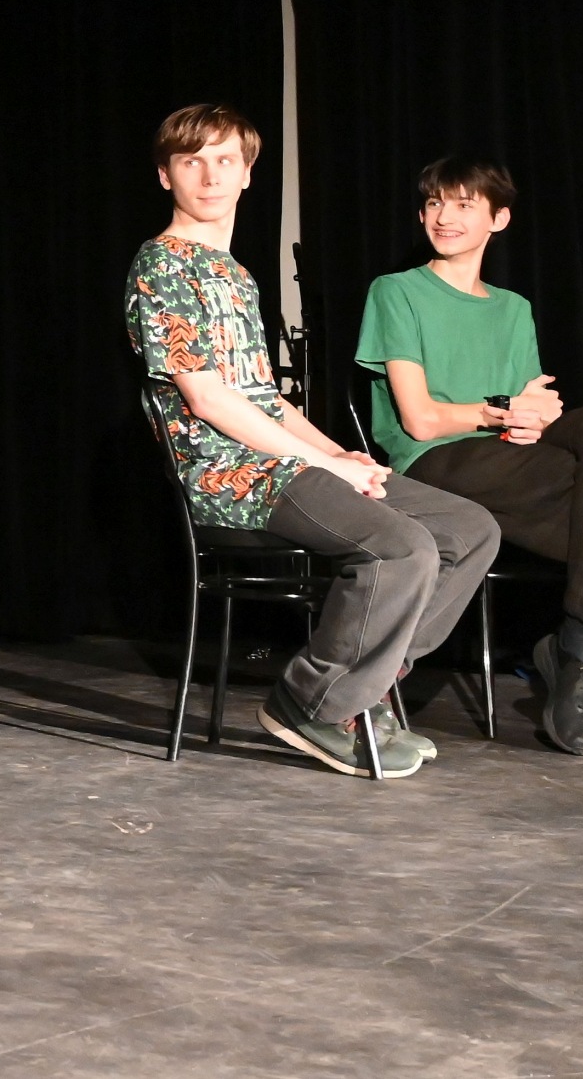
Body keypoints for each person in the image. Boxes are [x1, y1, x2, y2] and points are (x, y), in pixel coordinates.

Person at [125, 104, 498, 778]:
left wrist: (337, 455)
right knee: (401, 547)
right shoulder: (163, 266)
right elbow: (208, 398)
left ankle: (367, 689)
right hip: (230, 475)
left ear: (247, 173)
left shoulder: (236, 275)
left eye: (225, 161)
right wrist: (320, 463)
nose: (210, 176)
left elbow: (266, 398)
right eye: (191, 162)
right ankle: (312, 703)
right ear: (164, 175)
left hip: (281, 461)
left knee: (469, 530)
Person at [357, 156, 583, 762]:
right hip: (439, 460)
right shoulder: (397, 291)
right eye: (434, 203)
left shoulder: (513, 307)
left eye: (464, 204)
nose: (444, 216)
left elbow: (531, 408)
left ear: (498, 219)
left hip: (512, 457)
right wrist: (502, 412)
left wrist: (534, 417)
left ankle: (580, 648)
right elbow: (421, 419)